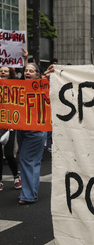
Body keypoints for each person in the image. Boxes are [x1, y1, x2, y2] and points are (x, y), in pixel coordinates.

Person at [17, 63, 47, 205]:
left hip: (36, 131)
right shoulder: (18, 87)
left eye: (31, 71)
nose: (27, 72)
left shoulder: (42, 86)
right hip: (22, 129)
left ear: (37, 75)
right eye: (26, 70)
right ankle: (30, 194)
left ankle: (28, 195)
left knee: (26, 160)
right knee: (31, 162)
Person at [0, 66, 21, 191]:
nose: (3, 72)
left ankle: (16, 176)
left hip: (9, 124)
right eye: (1, 71)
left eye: (5, 71)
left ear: (10, 73)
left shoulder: (15, 86)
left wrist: (25, 60)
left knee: (8, 154)